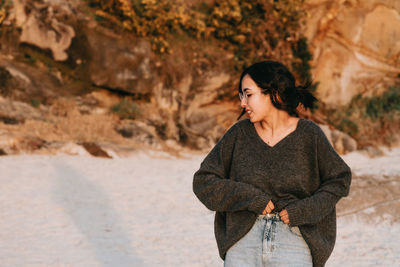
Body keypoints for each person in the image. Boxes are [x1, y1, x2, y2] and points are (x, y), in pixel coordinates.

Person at [192, 61, 352, 267]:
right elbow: (204, 181)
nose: (242, 103)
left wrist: (304, 211)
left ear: (274, 94)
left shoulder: (309, 135)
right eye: (241, 95)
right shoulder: (238, 134)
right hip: (242, 241)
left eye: (248, 94)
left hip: (294, 241)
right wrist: (248, 197)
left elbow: (339, 180)